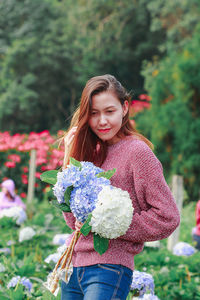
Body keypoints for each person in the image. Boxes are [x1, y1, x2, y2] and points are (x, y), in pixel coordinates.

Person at [61, 74, 180, 300]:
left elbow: (167, 217)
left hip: (109, 269)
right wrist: (68, 159)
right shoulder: (90, 154)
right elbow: (71, 221)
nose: (102, 121)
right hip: (72, 268)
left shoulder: (138, 153)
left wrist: (111, 222)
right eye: (94, 113)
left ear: (125, 108)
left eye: (109, 111)